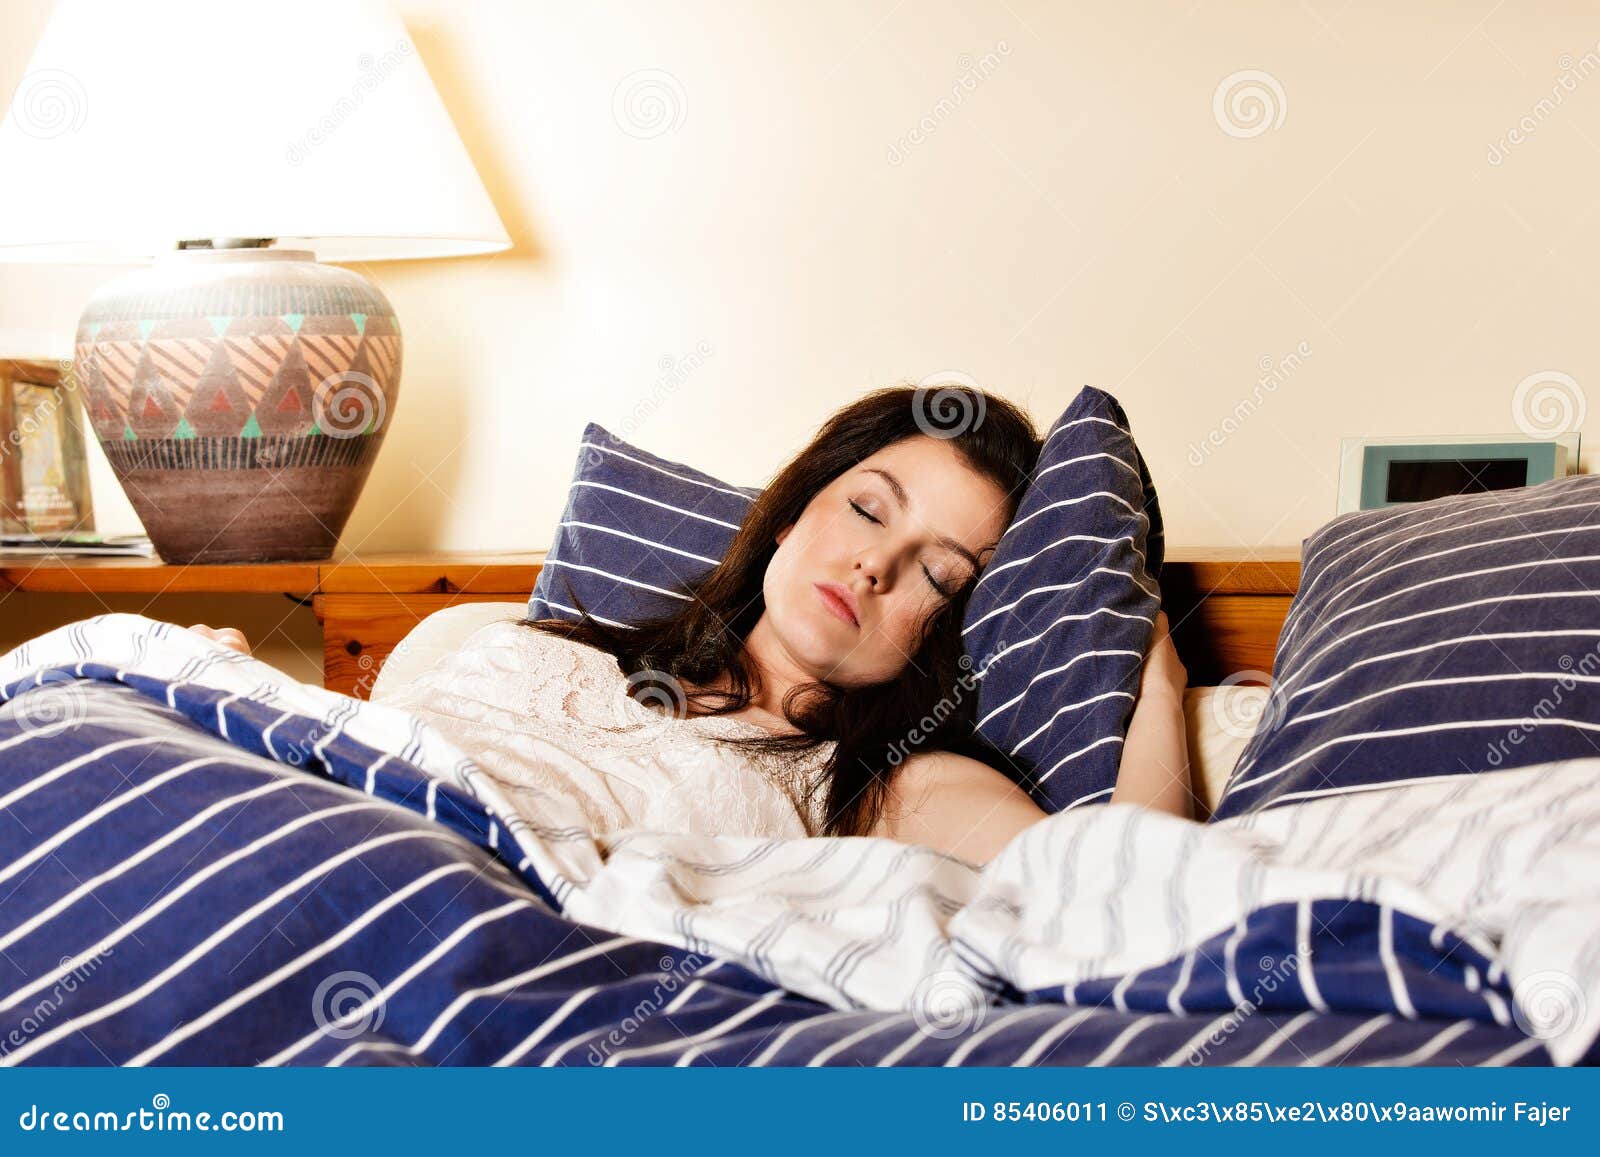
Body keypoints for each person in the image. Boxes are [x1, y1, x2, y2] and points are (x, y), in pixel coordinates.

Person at [186, 384, 1193, 864]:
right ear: (797, 508)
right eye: (867, 506)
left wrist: (1152, 680)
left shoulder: (894, 784)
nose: (873, 563)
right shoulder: (519, 641)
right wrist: (244, 689)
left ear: (952, 626)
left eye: (935, 570)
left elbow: (1122, 895)